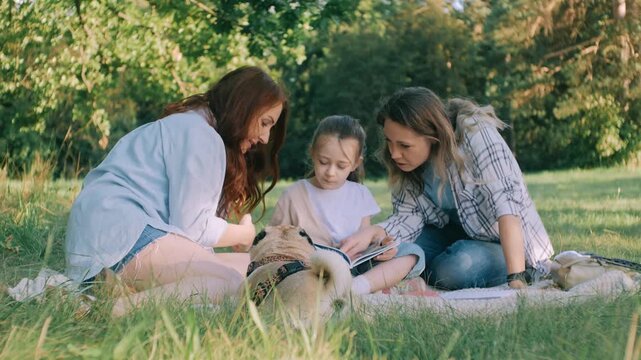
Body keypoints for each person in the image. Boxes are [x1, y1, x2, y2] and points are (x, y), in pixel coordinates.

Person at [65, 66, 289, 314]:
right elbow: (193, 227)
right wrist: (243, 235)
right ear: (243, 107)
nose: (266, 138)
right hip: (121, 230)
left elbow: (190, 237)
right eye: (265, 123)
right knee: (228, 283)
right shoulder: (200, 134)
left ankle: (122, 290)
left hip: (112, 231)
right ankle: (109, 311)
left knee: (252, 270)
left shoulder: (193, 127)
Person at [341, 87, 554, 290]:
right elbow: (407, 219)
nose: (394, 154)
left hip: (502, 243)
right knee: (378, 255)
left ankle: (415, 271)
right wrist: (375, 233)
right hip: (446, 236)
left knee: (456, 268)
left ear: (433, 137)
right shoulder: (407, 166)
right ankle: (411, 270)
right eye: (390, 142)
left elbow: (507, 209)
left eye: (404, 146)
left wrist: (517, 278)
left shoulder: (476, 133)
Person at [270, 115, 425, 295]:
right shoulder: (294, 195)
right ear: (312, 153)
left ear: (355, 164)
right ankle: (369, 286)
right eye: (323, 162)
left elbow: (365, 240)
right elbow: (273, 242)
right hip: (314, 269)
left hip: (356, 268)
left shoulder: (360, 194)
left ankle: (356, 288)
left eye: (341, 166)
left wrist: (382, 246)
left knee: (413, 253)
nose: (330, 172)